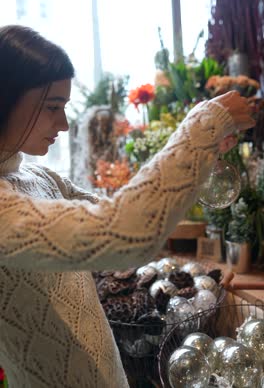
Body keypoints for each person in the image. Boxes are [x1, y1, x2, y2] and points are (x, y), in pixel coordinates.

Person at [0, 25, 255, 388]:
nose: (64, 123)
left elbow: (132, 212)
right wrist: (205, 124)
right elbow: (127, 231)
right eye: (52, 107)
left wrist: (199, 161)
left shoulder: (41, 178)